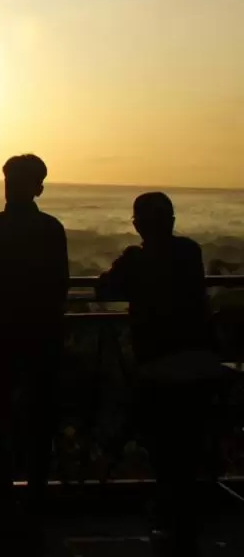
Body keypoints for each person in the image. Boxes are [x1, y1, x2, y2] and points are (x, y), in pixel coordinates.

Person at [98, 192, 220, 555]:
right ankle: (185, 521)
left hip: (160, 367)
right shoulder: (190, 252)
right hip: (200, 362)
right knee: (190, 443)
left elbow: (105, 287)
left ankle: (172, 520)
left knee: (165, 447)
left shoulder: (138, 259)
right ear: (171, 221)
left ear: (137, 225)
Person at [0, 154, 69, 518]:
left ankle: (1, 490)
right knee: (39, 416)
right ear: (39, 188)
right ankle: (36, 492)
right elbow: (59, 284)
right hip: (43, 332)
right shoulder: (51, 228)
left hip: (1, 331)